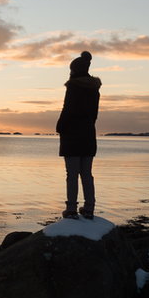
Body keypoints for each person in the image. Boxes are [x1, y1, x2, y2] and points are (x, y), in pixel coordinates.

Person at [55, 51, 102, 219]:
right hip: (88, 134)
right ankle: (89, 208)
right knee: (86, 174)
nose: (70, 72)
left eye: (71, 69)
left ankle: (71, 209)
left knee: (72, 174)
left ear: (75, 70)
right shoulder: (94, 89)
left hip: (72, 135)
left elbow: (67, 109)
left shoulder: (74, 86)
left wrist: (60, 126)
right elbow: (94, 114)